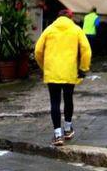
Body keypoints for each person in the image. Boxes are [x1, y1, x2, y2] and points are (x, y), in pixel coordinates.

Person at [34, 8, 91, 147]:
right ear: (70, 18)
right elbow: (86, 50)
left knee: (55, 102)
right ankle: (68, 129)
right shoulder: (76, 30)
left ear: (57, 17)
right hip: (69, 72)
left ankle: (58, 135)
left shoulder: (49, 30)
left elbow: (38, 51)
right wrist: (83, 68)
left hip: (52, 72)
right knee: (68, 99)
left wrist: (44, 66)